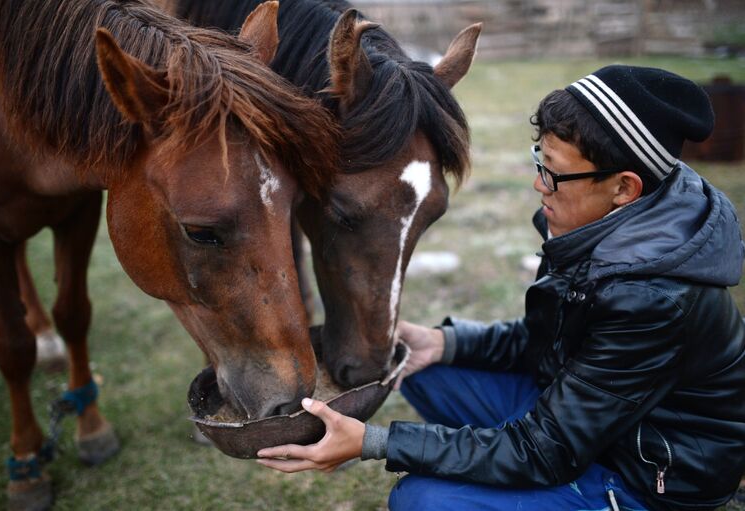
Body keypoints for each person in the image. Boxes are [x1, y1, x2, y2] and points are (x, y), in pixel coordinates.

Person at [256, 65, 745, 511]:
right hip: (588, 422)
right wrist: (445, 342)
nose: (539, 185)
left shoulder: (652, 296)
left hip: (645, 476)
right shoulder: (596, 227)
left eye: (553, 172)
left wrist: (373, 442)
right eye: (540, 159)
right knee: (419, 363)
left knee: (423, 499)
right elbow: (548, 342)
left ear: (623, 188)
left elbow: (546, 451)